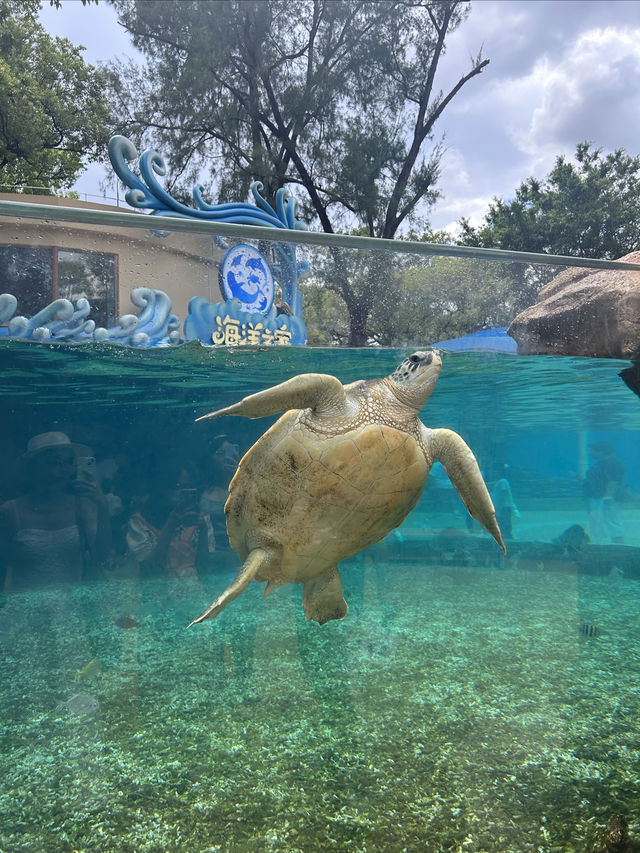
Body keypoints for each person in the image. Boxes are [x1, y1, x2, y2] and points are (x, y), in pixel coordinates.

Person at [0, 432, 112, 590]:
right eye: (54, 462)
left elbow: (102, 556)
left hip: (72, 606)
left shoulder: (82, 505)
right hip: (26, 607)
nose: (64, 469)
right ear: (33, 468)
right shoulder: (11, 510)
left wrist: (102, 506)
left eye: (69, 462)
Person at [584, 442, 627, 543]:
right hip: (601, 496)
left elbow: (614, 481)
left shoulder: (612, 463)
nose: (590, 452)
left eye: (593, 450)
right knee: (602, 519)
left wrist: (608, 497)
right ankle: (609, 541)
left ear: (602, 451)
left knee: (612, 519)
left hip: (608, 497)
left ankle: (619, 543)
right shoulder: (601, 463)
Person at [490, 464, 520, 540]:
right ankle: (505, 536)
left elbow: (504, 493)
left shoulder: (502, 481)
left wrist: (499, 506)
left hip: (504, 507)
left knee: (505, 523)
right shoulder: (500, 482)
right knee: (502, 523)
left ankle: (508, 537)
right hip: (502, 507)